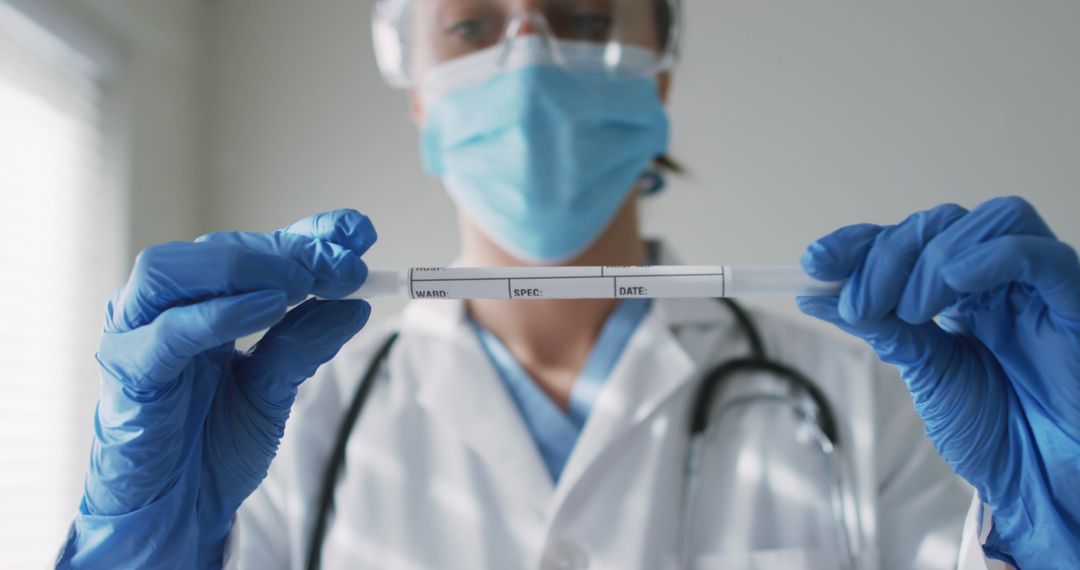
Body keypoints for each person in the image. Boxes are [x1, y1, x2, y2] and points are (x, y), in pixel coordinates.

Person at [57, 1, 1079, 569]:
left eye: (584, 9)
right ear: (418, 93)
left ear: (661, 69)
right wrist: (142, 554)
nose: (530, 51)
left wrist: (1060, 531)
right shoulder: (289, 432)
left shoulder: (867, 404)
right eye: (472, 27)